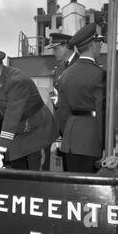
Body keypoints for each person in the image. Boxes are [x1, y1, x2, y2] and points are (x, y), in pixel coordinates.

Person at [0, 49, 58, 170]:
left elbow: (11, 118)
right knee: (19, 170)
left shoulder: (16, 81)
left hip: (36, 130)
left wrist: (0, 152)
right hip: (19, 131)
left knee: (36, 174)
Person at [58, 23, 106, 173]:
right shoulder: (100, 74)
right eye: (99, 43)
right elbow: (103, 113)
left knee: (72, 188)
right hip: (92, 142)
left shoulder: (65, 74)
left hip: (70, 141)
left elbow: (63, 113)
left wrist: (69, 136)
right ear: (92, 45)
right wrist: (107, 147)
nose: (100, 47)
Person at [45, 32, 78, 170]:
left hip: (77, 129)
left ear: (66, 46)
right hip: (64, 128)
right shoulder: (60, 69)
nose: (54, 52)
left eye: (56, 48)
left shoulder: (80, 65)